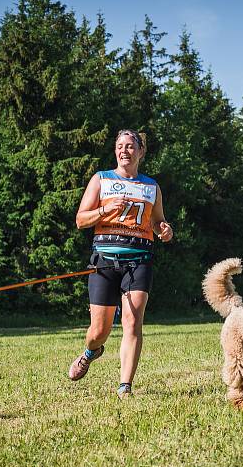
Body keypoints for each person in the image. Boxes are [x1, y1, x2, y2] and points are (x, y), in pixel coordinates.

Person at [68, 129, 173, 398]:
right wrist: (106, 209)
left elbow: (156, 221)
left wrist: (164, 229)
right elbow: (81, 220)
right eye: (119, 146)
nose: (124, 150)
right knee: (98, 331)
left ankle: (125, 386)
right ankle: (92, 351)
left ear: (140, 151)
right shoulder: (101, 179)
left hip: (139, 260)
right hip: (104, 261)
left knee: (132, 322)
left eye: (130, 146)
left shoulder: (151, 187)